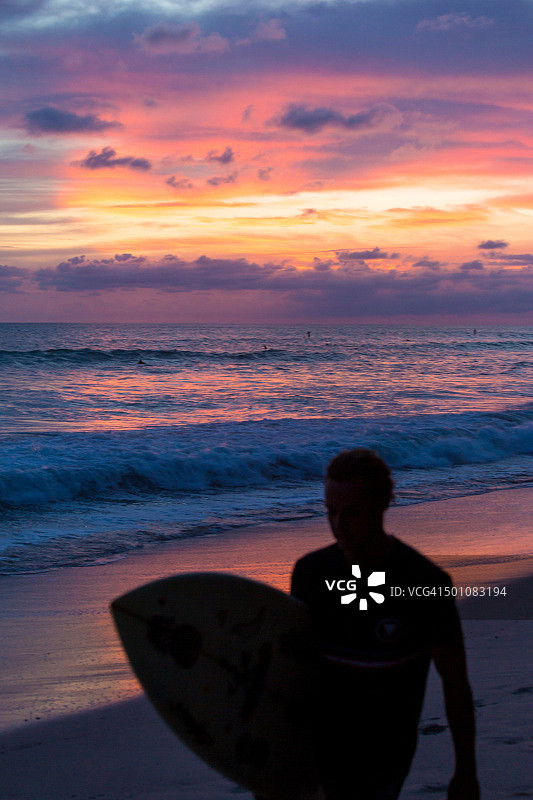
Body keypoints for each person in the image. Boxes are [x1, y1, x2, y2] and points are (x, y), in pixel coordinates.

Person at [291, 448, 479, 800]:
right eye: (330, 513)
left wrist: (465, 771)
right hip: (317, 749)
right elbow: (289, 668)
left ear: (382, 505)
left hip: (383, 756)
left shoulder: (424, 582)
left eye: (352, 514)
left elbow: (455, 684)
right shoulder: (310, 573)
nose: (338, 527)